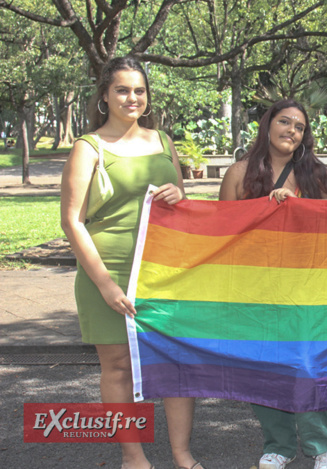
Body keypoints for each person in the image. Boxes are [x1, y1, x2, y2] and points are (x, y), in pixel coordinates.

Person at [60, 56, 201, 469]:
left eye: (139, 90)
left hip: (164, 269)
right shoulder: (89, 147)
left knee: (176, 363)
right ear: (105, 95)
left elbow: (183, 206)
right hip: (107, 271)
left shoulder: (163, 141)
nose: (132, 97)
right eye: (122, 89)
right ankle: (132, 456)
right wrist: (105, 284)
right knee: (119, 366)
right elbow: (72, 221)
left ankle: (181, 453)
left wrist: (181, 196)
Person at [219, 98, 327, 469]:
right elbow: (222, 230)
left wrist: (300, 205)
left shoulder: (313, 172)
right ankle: (278, 444)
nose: (291, 130)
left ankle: (325, 445)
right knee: (263, 367)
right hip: (254, 289)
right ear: (267, 124)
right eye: (284, 122)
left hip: (305, 288)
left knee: (307, 365)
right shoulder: (238, 173)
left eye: (299, 127)